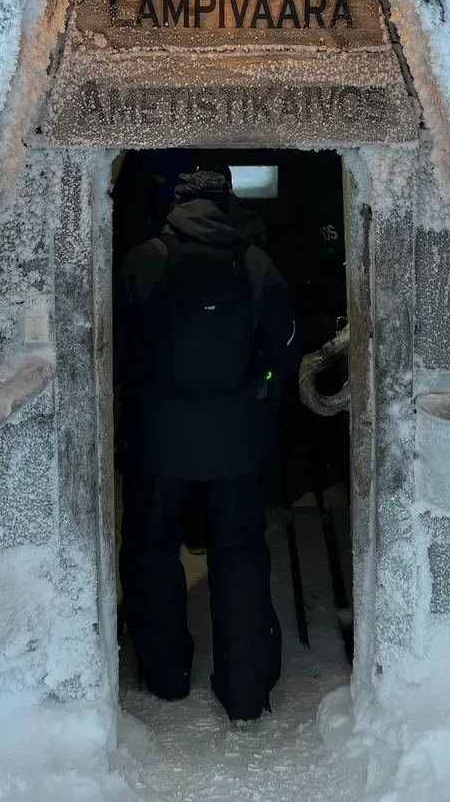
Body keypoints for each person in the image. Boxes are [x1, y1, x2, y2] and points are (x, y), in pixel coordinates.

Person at [116, 170, 300, 722]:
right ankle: (245, 693)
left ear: (175, 203)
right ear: (229, 201)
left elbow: (113, 350)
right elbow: (287, 348)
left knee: (151, 548)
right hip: (236, 441)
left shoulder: (142, 261)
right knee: (238, 553)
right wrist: (258, 390)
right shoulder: (255, 263)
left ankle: (165, 678)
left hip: (157, 439)